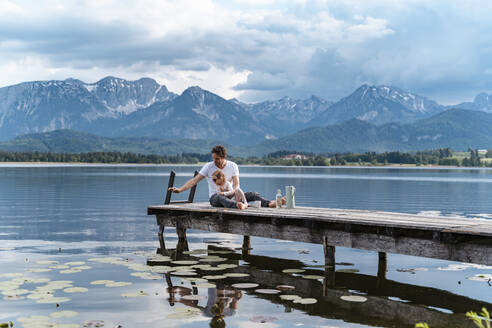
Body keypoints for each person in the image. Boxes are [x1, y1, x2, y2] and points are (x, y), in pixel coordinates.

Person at [168, 145, 283, 209]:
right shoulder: (208, 167)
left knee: (252, 194)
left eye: (217, 159)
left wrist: (234, 192)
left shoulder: (233, 166)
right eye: (213, 158)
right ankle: (238, 206)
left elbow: (237, 184)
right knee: (219, 198)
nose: (215, 161)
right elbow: (194, 181)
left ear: (223, 157)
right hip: (215, 198)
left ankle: (270, 204)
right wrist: (180, 189)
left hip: (231, 195)